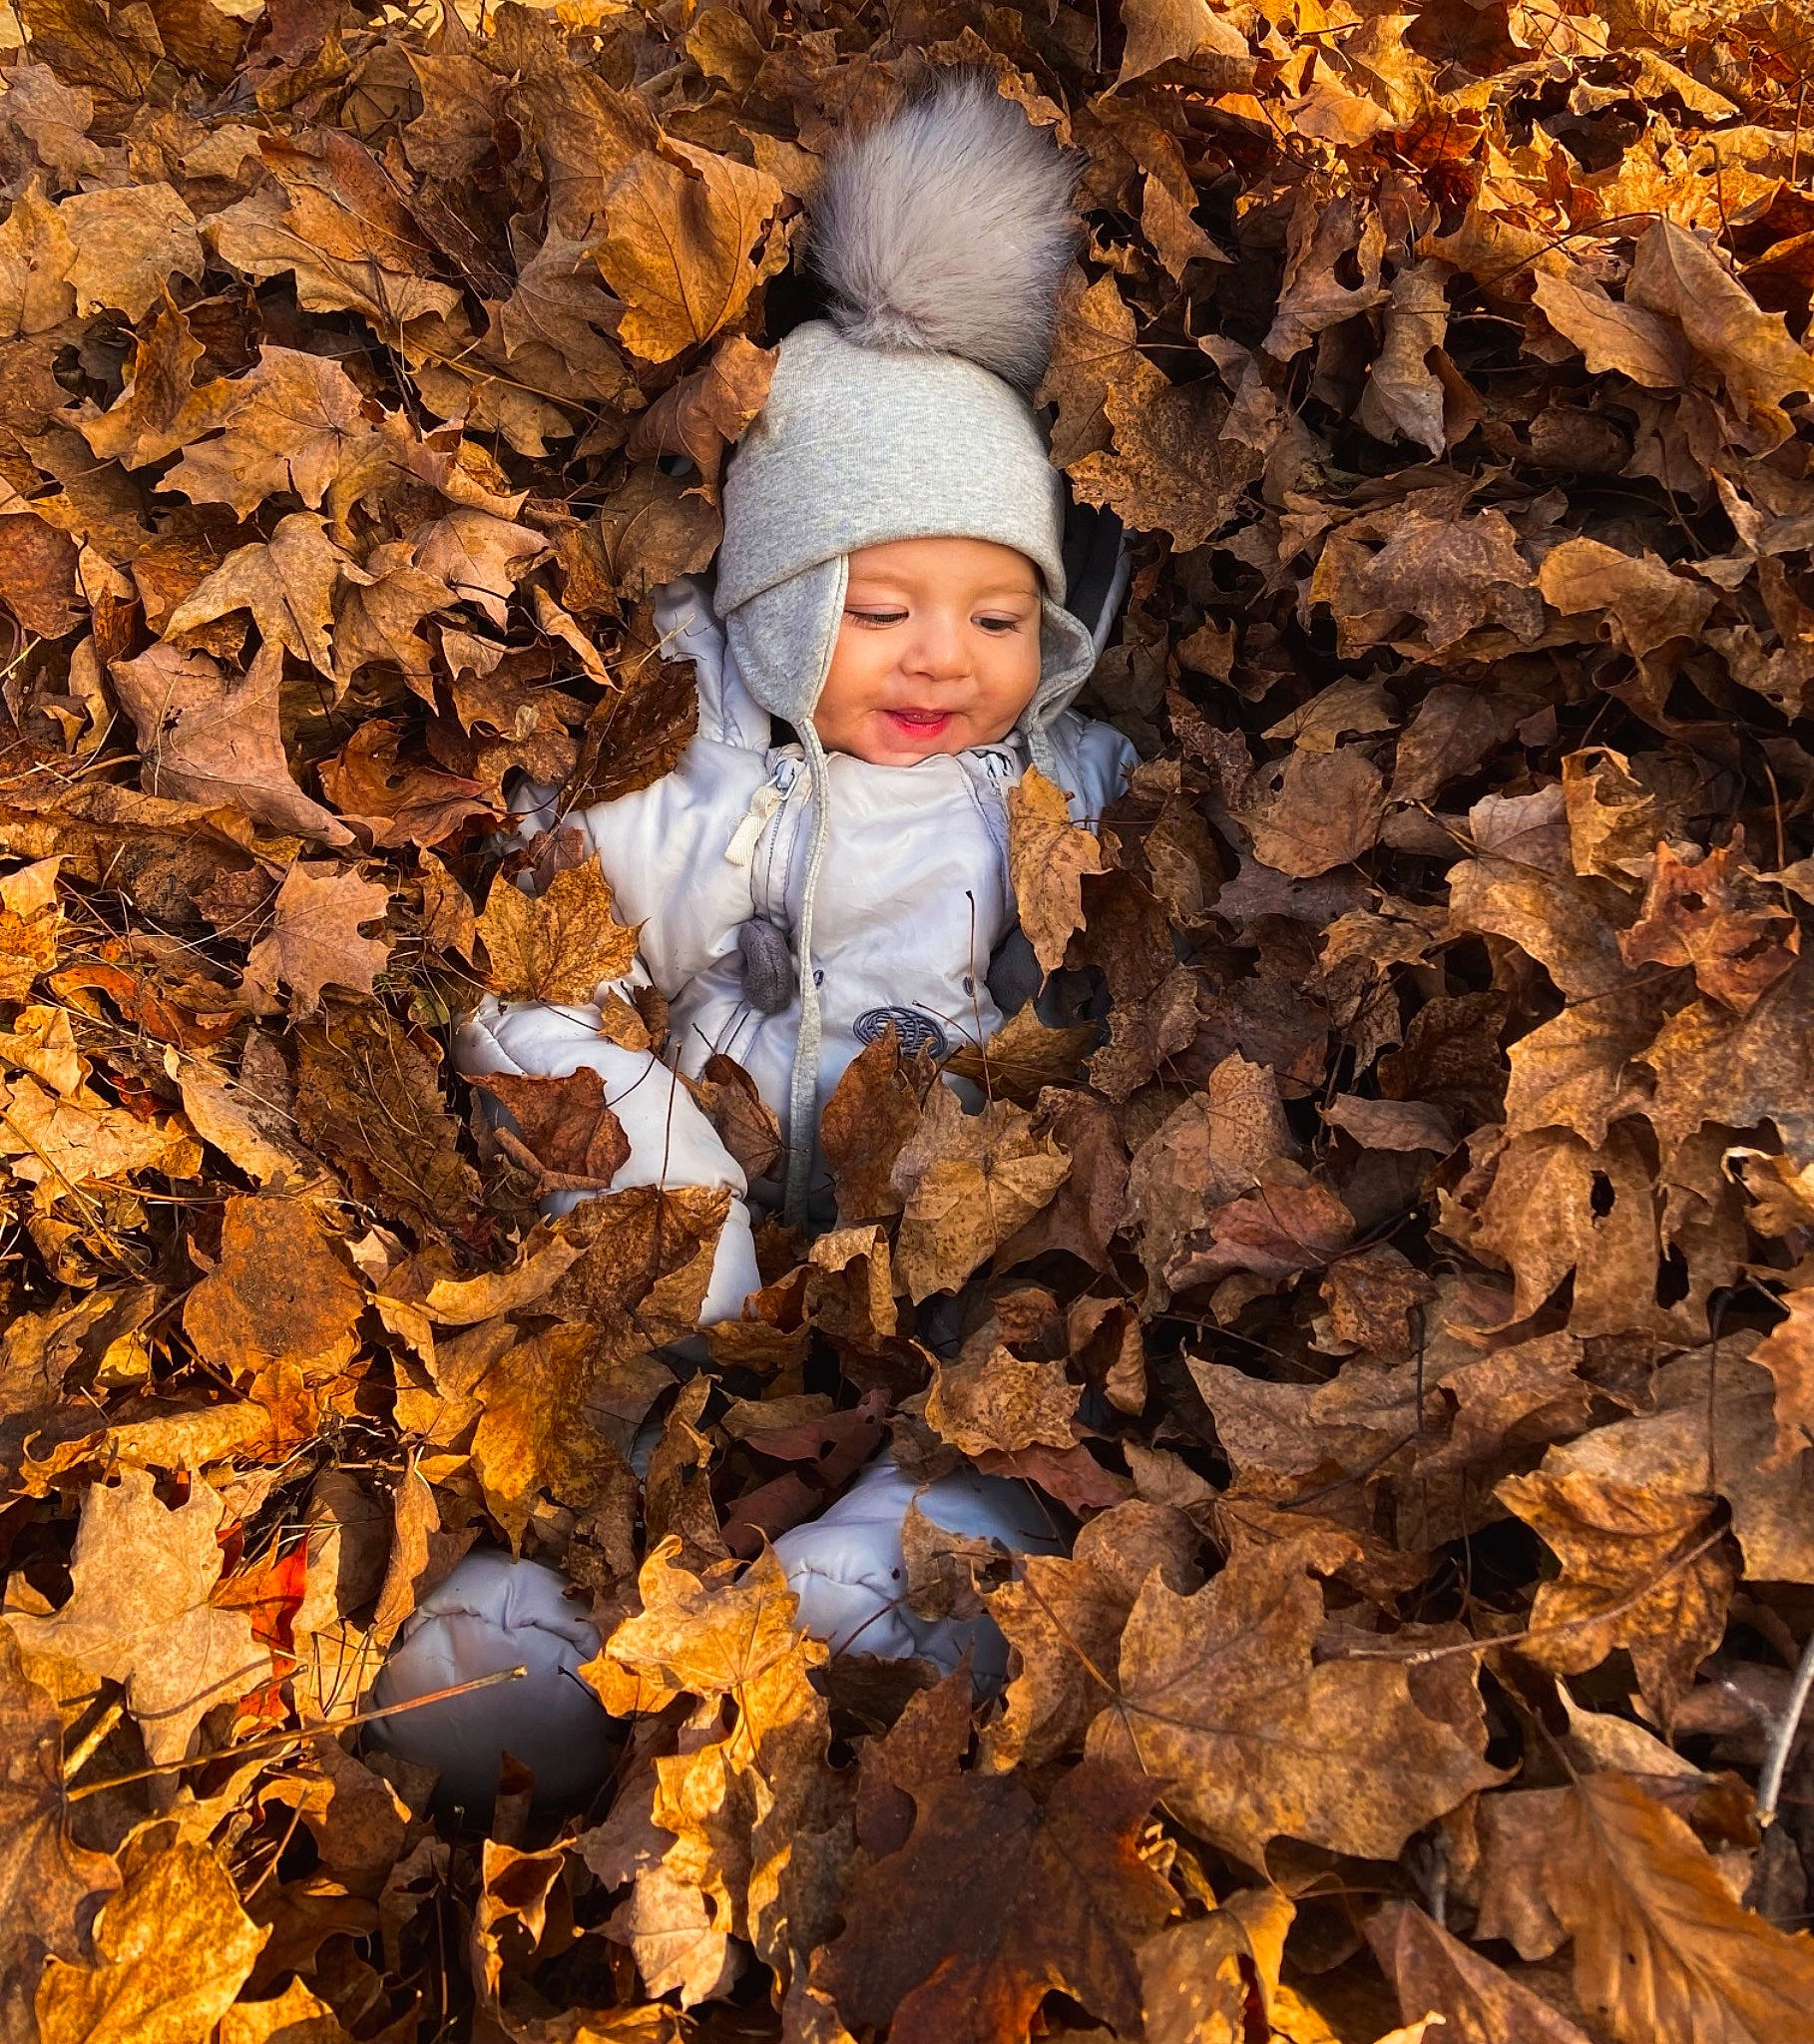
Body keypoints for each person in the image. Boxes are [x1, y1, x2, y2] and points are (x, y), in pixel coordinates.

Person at [368, 72, 1134, 1807]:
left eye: (998, 614)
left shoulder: (1061, 797)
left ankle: (900, 1571)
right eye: (879, 610)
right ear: (780, 600)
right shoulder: (686, 755)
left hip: (915, 1212)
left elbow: (1091, 1016)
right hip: (698, 1175)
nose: (942, 655)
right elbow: (546, 961)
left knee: (1023, 1337)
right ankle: (543, 1609)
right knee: (626, 1293)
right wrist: (643, 1147)